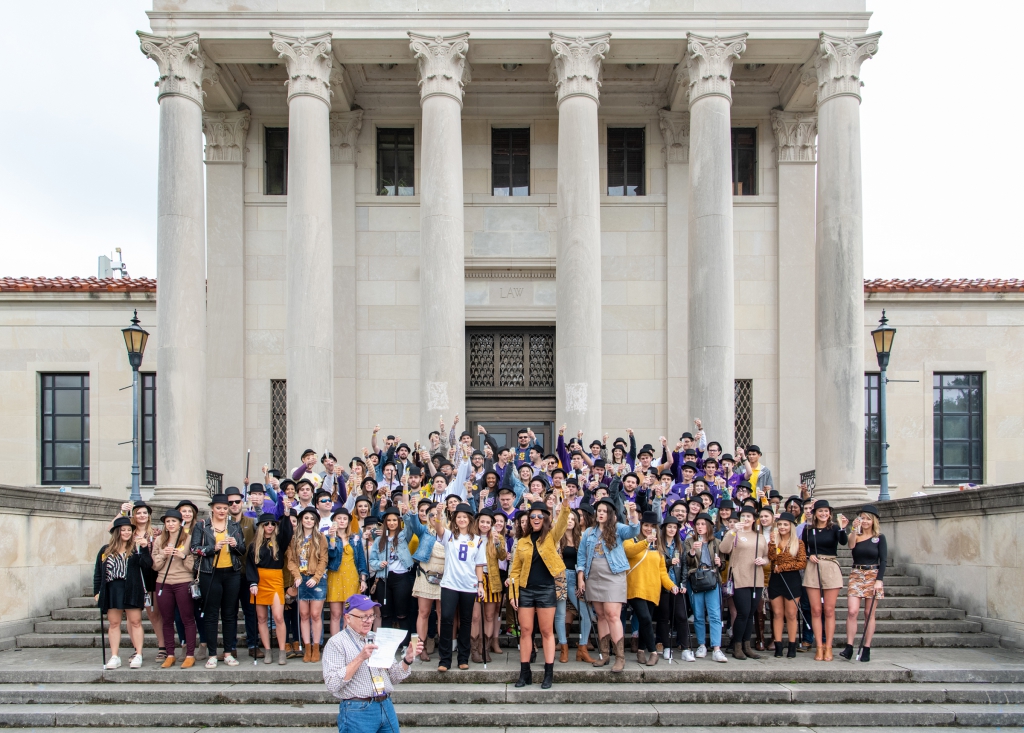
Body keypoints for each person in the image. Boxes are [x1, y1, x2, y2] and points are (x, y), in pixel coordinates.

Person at [322, 594, 425, 733]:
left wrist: (407, 659)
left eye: (371, 616)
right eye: (363, 616)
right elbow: (332, 684)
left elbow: (394, 677)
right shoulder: (336, 643)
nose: (368, 621)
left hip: (385, 704)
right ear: (348, 618)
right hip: (357, 710)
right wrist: (360, 658)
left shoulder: (378, 638)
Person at [509, 499, 571, 688]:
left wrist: (565, 501)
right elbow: (515, 571)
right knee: (526, 631)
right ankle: (524, 672)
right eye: (532, 516)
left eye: (539, 515)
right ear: (528, 519)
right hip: (526, 590)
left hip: (546, 589)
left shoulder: (551, 536)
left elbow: (561, 523)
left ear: (545, 518)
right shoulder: (522, 542)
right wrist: (513, 594)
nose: (536, 518)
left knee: (546, 631)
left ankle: (548, 673)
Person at [576, 498, 641, 673]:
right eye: (599, 510)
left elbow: (634, 530)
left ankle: (620, 657)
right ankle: (604, 654)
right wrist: (581, 578)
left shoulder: (618, 529)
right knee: (601, 615)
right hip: (593, 577)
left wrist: (632, 514)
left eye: (605, 511)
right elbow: (581, 557)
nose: (601, 513)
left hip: (613, 576)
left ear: (611, 513)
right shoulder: (588, 533)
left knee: (612, 615)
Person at [190, 493, 246, 668]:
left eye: (224, 508)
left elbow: (243, 550)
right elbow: (194, 548)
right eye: (218, 508)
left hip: (232, 573)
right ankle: (212, 654)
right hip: (210, 572)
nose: (222, 511)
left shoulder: (234, 526)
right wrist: (211, 548)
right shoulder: (202, 525)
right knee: (212, 614)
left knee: (230, 614)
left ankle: (228, 652)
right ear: (212, 508)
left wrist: (235, 545)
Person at [624, 511, 679, 666]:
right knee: (646, 619)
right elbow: (629, 552)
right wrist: (645, 542)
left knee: (644, 621)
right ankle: (653, 651)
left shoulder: (659, 546)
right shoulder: (632, 539)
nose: (648, 528)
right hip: (635, 588)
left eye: (652, 526)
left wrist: (672, 586)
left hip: (653, 590)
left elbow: (662, 572)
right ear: (641, 525)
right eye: (646, 525)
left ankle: (641, 650)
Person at [437, 502, 487, 672]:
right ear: (454, 519)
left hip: (469, 585)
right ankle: (444, 659)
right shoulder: (449, 535)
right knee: (446, 618)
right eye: (459, 517)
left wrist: (480, 584)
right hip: (450, 583)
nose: (462, 519)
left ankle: (463, 658)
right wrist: (438, 514)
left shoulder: (478, 540)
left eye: (465, 517)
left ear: (470, 519)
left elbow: (479, 565)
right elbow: (438, 528)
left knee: (466, 621)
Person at [94, 516, 148, 669]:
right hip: (112, 588)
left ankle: (138, 654)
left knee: (135, 622)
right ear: (116, 532)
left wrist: (144, 549)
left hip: (131, 588)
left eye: (129, 530)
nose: (126, 533)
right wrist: (96, 591)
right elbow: (98, 572)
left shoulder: (136, 549)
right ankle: (114, 656)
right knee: (114, 623)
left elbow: (147, 565)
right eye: (123, 530)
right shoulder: (105, 550)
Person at [719, 505, 769, 660]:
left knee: (750, 614)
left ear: (754, 519)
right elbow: (723, 548)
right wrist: (732, 531)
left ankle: (747, 645)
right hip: (740, 576)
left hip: (756, 578)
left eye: (749, 516)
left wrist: (763, 561)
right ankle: (737, 645)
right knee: (742, 612)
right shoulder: (734, 534)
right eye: (743, 516)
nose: (746, 519)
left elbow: (767, 557)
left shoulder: (760, 536)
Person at [802, 499, 849, 661]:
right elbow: (803, 549)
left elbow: (843, 542)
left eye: (826, 511)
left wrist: (843, 528)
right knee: (815, 610)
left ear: (830, 513)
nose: (823, 514)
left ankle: (828, 646)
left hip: (830, 565)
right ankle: (819, 646)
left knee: (829, 610)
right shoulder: (808, 530)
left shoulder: (835, 528)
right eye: (820, 511)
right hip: (813, 567)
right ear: (815, 513)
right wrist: (810, 555)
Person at [246, 512, 294, 664]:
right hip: (260, 580)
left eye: (272, 524)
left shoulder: (279, 541)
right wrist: (252, 582)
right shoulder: (254, 545)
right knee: (261, 618)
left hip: (275, 579)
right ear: (261, 526)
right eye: (266, 524)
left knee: (278, 617)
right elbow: (250, 565)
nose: (270, 526)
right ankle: (267, 650)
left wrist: (286, 516)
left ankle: (281, 651)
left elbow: (288, 532)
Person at [841, 504, 887, 662]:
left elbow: (884, 559)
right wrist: (854, 529)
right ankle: (849, 646)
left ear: (873, 520)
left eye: (868, 518)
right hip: (857, 573)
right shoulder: (857, 535)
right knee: (852, 611)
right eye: (862, 518)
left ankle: (866, 647)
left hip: (873, 573)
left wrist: (879, 580)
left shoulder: (880, 537)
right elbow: (851, 545)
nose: (865, 521)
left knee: (869, 613)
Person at [151, 509, 197, 668]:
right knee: (167, 619)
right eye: (168, 521)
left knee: (187, 618)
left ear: (180, 523)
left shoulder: (189, 539)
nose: (170, 524)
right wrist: (164, 554)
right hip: (163, 582)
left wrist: (182, 555)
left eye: (174, 521)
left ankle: (190, 654)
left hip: (183, 581)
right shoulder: (159, 540)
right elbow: (155, 566)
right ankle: (170, 654)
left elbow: (193, 565)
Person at [287, 506, 329, 663]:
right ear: (301, 520)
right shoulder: (294, 538)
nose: (309, 521)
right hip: (301, 579)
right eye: (306, 518)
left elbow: (323, 559)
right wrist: (297, 576)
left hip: (316, 579)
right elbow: (290, 560)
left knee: (315, 615)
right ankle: (307, 647)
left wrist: (317, 577)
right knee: (304, 615)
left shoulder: (320, 537)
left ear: (316, 521)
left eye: (312, 518)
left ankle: (316, 646)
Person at [685, 513, 727, 662]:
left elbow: (722, 563)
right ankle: (701, 645)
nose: (700, 527)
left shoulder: (716, 542)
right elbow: (687, 562)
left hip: (712, 578)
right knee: (698, 614)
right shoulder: (690, 541)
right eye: (698, 524)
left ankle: (716, 648)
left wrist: (719, 563)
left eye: (703, 524)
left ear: (709, 526)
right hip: (696, 578)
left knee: (715, 614)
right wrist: (691, 552)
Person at [407, 499, 446, 662]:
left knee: (443, 614)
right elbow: (414, 524)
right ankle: (420, 648)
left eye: (437, 514)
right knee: (423, 612)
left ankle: (444, 648)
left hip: (444, 578)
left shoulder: (449, 534)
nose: (434, 516)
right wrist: (414, 509)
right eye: (431, 514)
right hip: (425, 575)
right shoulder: (424, 531)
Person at [368, 507, 414, 641]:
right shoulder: (379, 540)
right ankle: (385, 645)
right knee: (385, 614)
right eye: (389, 520)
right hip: (384, 578)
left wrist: (405, 514)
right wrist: (379, 564)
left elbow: (410, 526)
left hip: (401, 577)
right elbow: (372, 560)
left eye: (395, 520)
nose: (392, 523)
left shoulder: (403, 535)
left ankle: (406, 645)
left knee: (402, 614)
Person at [766, 511, 807, 658]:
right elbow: (771, 558)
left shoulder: (798, 543)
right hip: (776, 580)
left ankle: (792, 645)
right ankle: (778, 645)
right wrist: (771, 544)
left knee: (791, 614)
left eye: (785, 525)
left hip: (792, 579)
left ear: (791, 526)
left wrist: (783, 567)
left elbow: (802, 562)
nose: (782, 527)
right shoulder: (774, 541)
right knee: (777, 613)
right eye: (780, 525)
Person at [470, 510, 506, 663]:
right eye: (482, 522)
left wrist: (498, 543)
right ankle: (474, 649)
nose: (485, 525)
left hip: (491, 579)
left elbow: (503, 556)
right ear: (477, 522)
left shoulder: (497, 537)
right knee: (476, 616)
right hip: (474, 579)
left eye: (488, 522)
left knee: (489, 616)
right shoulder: (471, 538)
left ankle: (485, 648)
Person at [327, 508, 368, 636]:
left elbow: (361, 559)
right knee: (335, 613)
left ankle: (348, 643)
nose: (342, 521)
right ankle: (335, 644)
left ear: (349, 522)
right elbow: (330, 555)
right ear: (334, 520)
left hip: (352, 577)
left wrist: (363, 579)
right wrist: (332, 538)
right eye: (339, 518)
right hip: (335, 576)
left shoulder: (355, 538)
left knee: (348, 613)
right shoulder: (328, 537)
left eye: (345, 519)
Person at [658, 516, 693, 661]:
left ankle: (685, 648)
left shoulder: (681, 545)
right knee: (664, 617)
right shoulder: (659, 545)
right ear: (664, 528)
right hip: (663, 587)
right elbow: (657, 565)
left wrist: (683, 584)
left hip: (678, 586)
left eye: (675, 527)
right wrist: (668, 562)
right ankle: (666, 647)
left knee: (681, 616)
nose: (672, 529)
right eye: (669, 526)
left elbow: (685, 566)